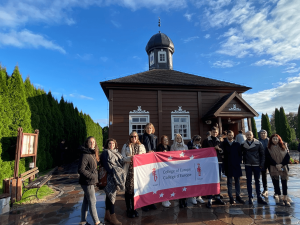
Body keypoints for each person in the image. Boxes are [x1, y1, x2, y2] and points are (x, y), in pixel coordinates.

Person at [78, 136, 102, 225]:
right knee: (92, 201)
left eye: (93, 142)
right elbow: (81, 169)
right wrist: (92, 176)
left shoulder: (92, 153)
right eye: (90, 142)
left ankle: (82, 222)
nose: (92, 144)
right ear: (87, 143)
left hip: (90, 181)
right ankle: (97, 222)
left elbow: (93, 165)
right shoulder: (85, 154)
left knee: (86, 201)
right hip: (87, 182)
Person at [101, 138, 126, 225]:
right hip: (109, 177)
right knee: (111, 196)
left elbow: (122, 162)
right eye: (109, 143)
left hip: (115, 176)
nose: (111, 145)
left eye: (113, 143)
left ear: (115, 145)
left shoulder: (117, 153)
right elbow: (107, 166)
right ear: (107, 145)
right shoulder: (105, 153)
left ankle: (107, 215)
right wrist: (117, 171)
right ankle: (113, 217)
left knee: (109, 197)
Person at [121, 132, 146, 218]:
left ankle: (134, 209)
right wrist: (130, 158)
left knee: (135, 191)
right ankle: (129, 209)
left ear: (137, 137)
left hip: (138, 172)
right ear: (130, 137)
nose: (133, 138)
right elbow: (122, 158)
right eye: (132, 136)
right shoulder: (126, 146)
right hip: (129, 171)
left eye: (135, 136)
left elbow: (144, 157)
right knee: (128, 191)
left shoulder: (141, 146)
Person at [241, 131, 267, 205]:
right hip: (248, 164)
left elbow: (262, 154)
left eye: (250, 134)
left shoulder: (258, 143)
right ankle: (250, 197)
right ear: (246, 136)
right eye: (247, 135)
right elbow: (240, 153)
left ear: (253, 135)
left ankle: (259, 197)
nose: (249, 136)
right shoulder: (243, 144)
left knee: (257, 181)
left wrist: (261, 164)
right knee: (249, 181)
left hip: (256, 164)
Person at [202, 127, 225, 208]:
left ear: (217, 133)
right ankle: (209, 199)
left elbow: (223, 151)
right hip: (209, 163)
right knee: (210, 180)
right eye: (213, 132)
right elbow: (203, 152)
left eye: (216, 132)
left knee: (218, 180)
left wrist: (219, 149)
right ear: (211, 132)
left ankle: (218, 197)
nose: (215, 133)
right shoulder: (206, 141)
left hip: (218, 162)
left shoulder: (220, 141)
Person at [266, 134, 291, 206]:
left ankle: (285, 198)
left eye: (276, 139)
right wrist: (276, 165)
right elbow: (268, 158)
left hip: (283, 167)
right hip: (274, 167)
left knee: (284, 184)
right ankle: (280, 198)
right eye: (273, 139)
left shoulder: (283, 147)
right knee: (276, 184)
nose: (275, 140)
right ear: (271, 140)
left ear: (279, 139)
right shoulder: (268, 148)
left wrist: (281, 164)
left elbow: (287, 157)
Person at [222, 130, 245, 205]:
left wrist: (239, 162)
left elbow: (240, 154)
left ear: (233, 135)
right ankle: (231, 197)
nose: (230, 136)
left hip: (236, 165)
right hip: (228, 165)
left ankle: (238, 196)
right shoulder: (224, 144)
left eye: (232, 135)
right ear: (227, 136)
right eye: (229, 135)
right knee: (229, 182)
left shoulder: (237, 144)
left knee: (237, 181)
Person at [139, 123, 158, 211]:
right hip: (144, 162)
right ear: (145, 129)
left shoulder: (155, 137)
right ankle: (144, 203)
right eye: (147, 128)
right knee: (144, 183)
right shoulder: (142, 137)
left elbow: (156, 149)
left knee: (151, 182)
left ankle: (151, 202)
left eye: (150, 128)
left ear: (152, 129)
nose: (149, 129)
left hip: (152, 162)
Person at [171, 133, 188, 208]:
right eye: (177, 138)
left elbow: (188, 156)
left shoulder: (185, 146)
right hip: (177, 167)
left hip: (184, 167)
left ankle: (185, 200)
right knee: (179, 184)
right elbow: (171, 156)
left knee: (185, 184)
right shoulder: (173, 146)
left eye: (180, 138)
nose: (178, 139)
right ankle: (180, 200)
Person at [187, 135, 205, 204]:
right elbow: (187, 150)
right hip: (191, 164)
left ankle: (199, 196)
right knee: (193, 181)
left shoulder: (199, 145)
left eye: (198, 141)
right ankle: (193, 197)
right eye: (196, 141)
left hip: (198, 164)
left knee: (199, 181)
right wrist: (192, 148)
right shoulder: (189, 144)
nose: (197, 142)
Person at [157, 135, 172, 207]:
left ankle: (167, 198)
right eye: (164, 139)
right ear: (162, 140)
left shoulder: (169, 147)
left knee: (168, 183)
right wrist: (162, 152)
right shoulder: (159, 146)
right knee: (163, 183)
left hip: (168, 167)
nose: (166, 141)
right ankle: (163, 199)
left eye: (167, 139)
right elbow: (157, 155)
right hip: (161, 167)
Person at [258, 129, 269, 197]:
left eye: (264, 133)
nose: (263, 134)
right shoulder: (258, 141)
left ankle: (277, 192)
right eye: (261, 133)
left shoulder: (270, 141)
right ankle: (265, 189)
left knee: (274, 176)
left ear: (266, 134)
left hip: (270, 160)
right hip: (262, 160)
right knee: (263, 175)